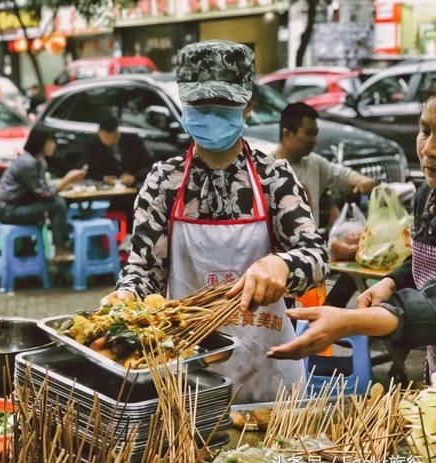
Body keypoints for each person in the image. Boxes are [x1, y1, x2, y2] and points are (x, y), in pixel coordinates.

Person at [102, 40, 329, 404]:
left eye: (222, 106)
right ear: (183, 107)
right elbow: (144, 271)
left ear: (247, 107)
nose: (210, 115)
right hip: (187, 371)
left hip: (269, 377)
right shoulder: (165, 182)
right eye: (200, 106)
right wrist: (127, 296)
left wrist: (283, 264)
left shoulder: (275, 179)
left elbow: (316, 258)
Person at [267, 80, 436, 377]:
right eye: (425, 131)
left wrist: (350, 322)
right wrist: (390, 283)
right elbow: (425, 261)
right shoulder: (427, 195)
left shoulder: (316, 164)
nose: (429, 149)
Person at [273, 102, 377, 224]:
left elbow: (343, 175)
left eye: (315, 134)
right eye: (309, 133)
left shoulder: (314, 164)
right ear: (287, 134)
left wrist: (361, 181)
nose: (314, 140)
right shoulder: (265, 169)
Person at [0, 128, 86, 262]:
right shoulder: (28, 163)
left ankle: (30, 253)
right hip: (7, 210)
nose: (54, 145)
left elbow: (43, 187)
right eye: (51, 142)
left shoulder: (39, 161)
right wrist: (67, 180)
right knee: (57, 205)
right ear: (41, 143)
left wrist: (65, 184)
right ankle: (60, 250)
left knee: (55, 205)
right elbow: (45, 194)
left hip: (21, 205)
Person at [83, 113, 154, 189]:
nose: (111, 141)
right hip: (109, 189)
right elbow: (87, 171)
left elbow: (151, 165)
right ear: (99, 134)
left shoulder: (133, 141)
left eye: (115, 136)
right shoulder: (92, 146)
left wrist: (135, 177)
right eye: (106, 138)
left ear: (118, 132)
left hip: (136, 186)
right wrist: (104, 178)